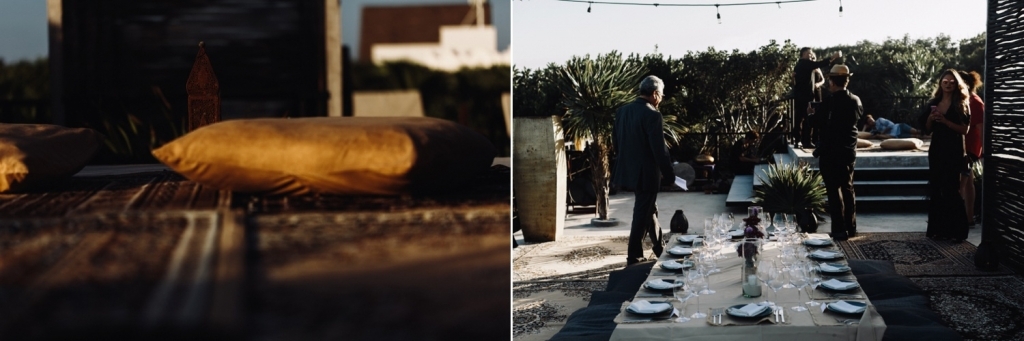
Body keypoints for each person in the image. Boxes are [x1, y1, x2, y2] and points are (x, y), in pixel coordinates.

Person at [612, 75, 675, 266]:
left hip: (628, 171)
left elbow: (616, 143)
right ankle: (634, 257)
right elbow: (659, 150)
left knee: (648, 209)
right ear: (655, 94)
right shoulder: (652, 115)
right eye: (661, 96)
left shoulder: (622, 111)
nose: (661, 100)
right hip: (646, 174)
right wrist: (670, 174)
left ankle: (659, 248)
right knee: (642, 213)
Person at [807, 64, 861, 241]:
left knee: (833, 191)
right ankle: (851, 228)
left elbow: (818, 123)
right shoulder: (855, 100)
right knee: (848, 189)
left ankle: (838, 230)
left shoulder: (829, 102)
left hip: (830, 153)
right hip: (847, 152)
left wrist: (810, 114)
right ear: (847, 80)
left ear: (831, 82)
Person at [921, 69, 971, 242]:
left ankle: (957, 232)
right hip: (936, 149)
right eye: (945, 82)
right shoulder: (933, 102)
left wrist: (946, 121)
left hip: (954, 150)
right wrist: (931, 119)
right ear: (940, 84)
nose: (948, 84)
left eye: (952, 82)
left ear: (957, 84)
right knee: (936, 188)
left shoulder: (961, 103)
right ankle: (938, 230)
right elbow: (926, 130)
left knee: (951, 190)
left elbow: (965, 129)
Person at [793, 47, 841, 148]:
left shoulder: (799, 65)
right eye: (809, 53)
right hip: (806, 96)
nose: (811, 55)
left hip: (799, 96)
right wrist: (834, 57)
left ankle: (797, 140)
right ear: (804, 54)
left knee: (799, 119)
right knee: (807, 118)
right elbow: (820, 64)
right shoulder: (805, 63)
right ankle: (806, 141)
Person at [958, 70, 984, 227]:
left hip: (969, 149)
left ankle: (958, 218)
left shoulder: (975, 102)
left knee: (961, 184)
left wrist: (983, 151)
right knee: (968, 184)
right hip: (965, 147)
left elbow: (981, 128)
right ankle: (968, 217)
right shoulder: (967, 100)